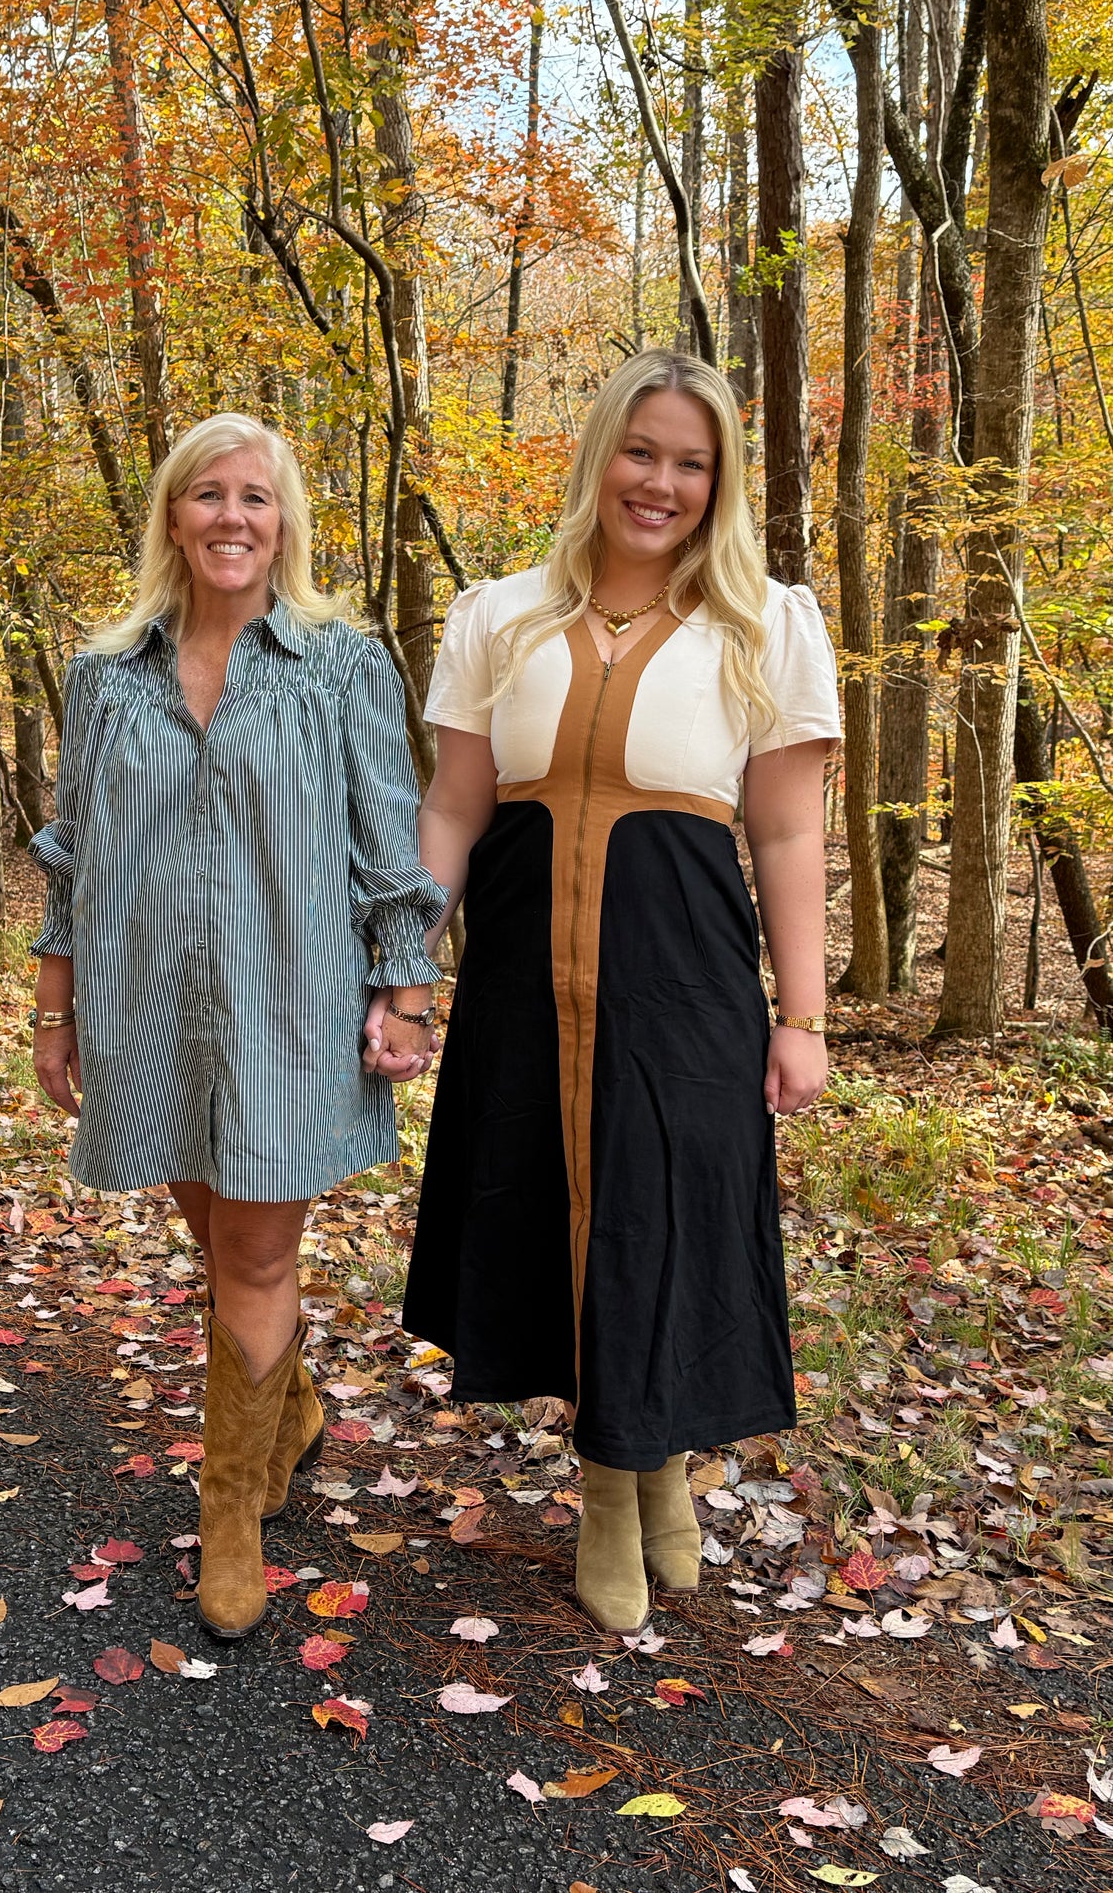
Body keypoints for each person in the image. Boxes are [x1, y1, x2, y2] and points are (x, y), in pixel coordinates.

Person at [397, 351, 840, 1634]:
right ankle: (614, 1490)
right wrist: (408, 966)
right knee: (556, 1217)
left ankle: (648, 1471)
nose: (660, 482)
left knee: (658, 1223)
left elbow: (788, 836)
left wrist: (799, 1014)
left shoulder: (767, 623)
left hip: (686, 982)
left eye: (690, 462)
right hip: (523, 979)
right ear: (599, 456)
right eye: (640, 451)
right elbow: (452, 807)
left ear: (719, 482)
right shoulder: (498, 615)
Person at [28, 414, 445, 1640]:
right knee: (219, 1249)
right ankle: (292, 1408)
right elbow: (70, 859)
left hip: (287, 1006)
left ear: (284, 523)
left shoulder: (337, 665)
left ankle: (231, 1516)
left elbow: (388, 845)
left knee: (257, 1259)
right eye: (207, 495)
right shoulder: (106, 675)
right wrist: (54, 1009)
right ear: (172, 515)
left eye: (254, 498)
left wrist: (406, 987)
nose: (230, 518)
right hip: (142, 1006)